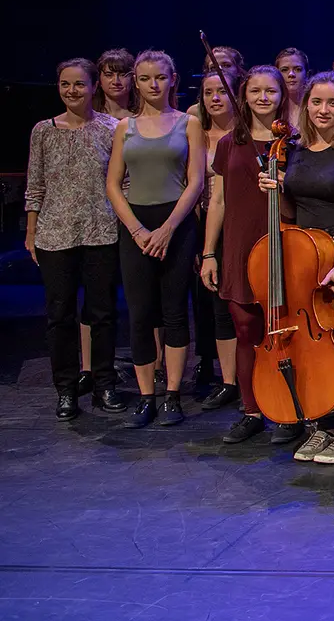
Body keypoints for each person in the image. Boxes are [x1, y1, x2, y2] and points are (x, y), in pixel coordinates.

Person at [268, 72, 334, 464]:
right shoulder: (294, 149)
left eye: (332, 103)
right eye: (316, 102)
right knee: (315, 346)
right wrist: (275, 192)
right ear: (306, 105)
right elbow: (294, 209)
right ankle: (324, 426)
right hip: (306, 255)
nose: (323, 110)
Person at [105, 51, 205, 429]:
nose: (153, 85)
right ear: (136, 81)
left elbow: (195, 181)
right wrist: (137, 230)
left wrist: (167, 229)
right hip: (136, 226)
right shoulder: (125, 127)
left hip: (176, 224)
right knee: (141, 313)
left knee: (175, 311)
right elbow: (113, 184)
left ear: (172, 79)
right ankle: (147, 396)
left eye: (160, 77)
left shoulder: (188, 123)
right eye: (145, 78)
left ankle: (172, 395)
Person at [200, 66, 296, 446]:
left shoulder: (295, 142)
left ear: (282, 95)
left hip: (283, 246)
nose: (262, 98)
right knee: (246, 333)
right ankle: (252, 411)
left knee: (285, 331)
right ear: (244, 95)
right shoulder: (230, 143)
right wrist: (209, 252)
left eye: (270, 91)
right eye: (255, 91)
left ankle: (289, 409)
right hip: (240, 246)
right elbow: (218, 201)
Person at [27, 58, 125, 419]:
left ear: (93, 87)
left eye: (79, 84)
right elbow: (35, 185)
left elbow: (123, 181)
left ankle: (104, 385)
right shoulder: (43, 130)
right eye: (65, 84)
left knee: (102, 315)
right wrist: (31, 231)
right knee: (59, 316)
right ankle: (66, 390)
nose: (72, 91)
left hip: (101, 231)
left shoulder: (112, 128)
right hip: (55, 235)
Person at [192, 68, 240, 410]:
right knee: (216, 305)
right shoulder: (195, 131)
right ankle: (228, 380)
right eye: (208, 93)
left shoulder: (245, 133)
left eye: (221, 91)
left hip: (242, 223)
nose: (215, 98)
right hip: (204, 222)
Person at [93, 48, 135, 120]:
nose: (116, 82)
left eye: (122, 75)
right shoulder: (87, 116)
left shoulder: (143, 117)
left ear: (133, 79)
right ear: (99, 80)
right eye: (109, 75)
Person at [275, 47, 310, 127]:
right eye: (284, 70)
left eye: (298, 69)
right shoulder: (272, 109)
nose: (291, 74)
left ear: (307, 74)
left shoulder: (316, 108)